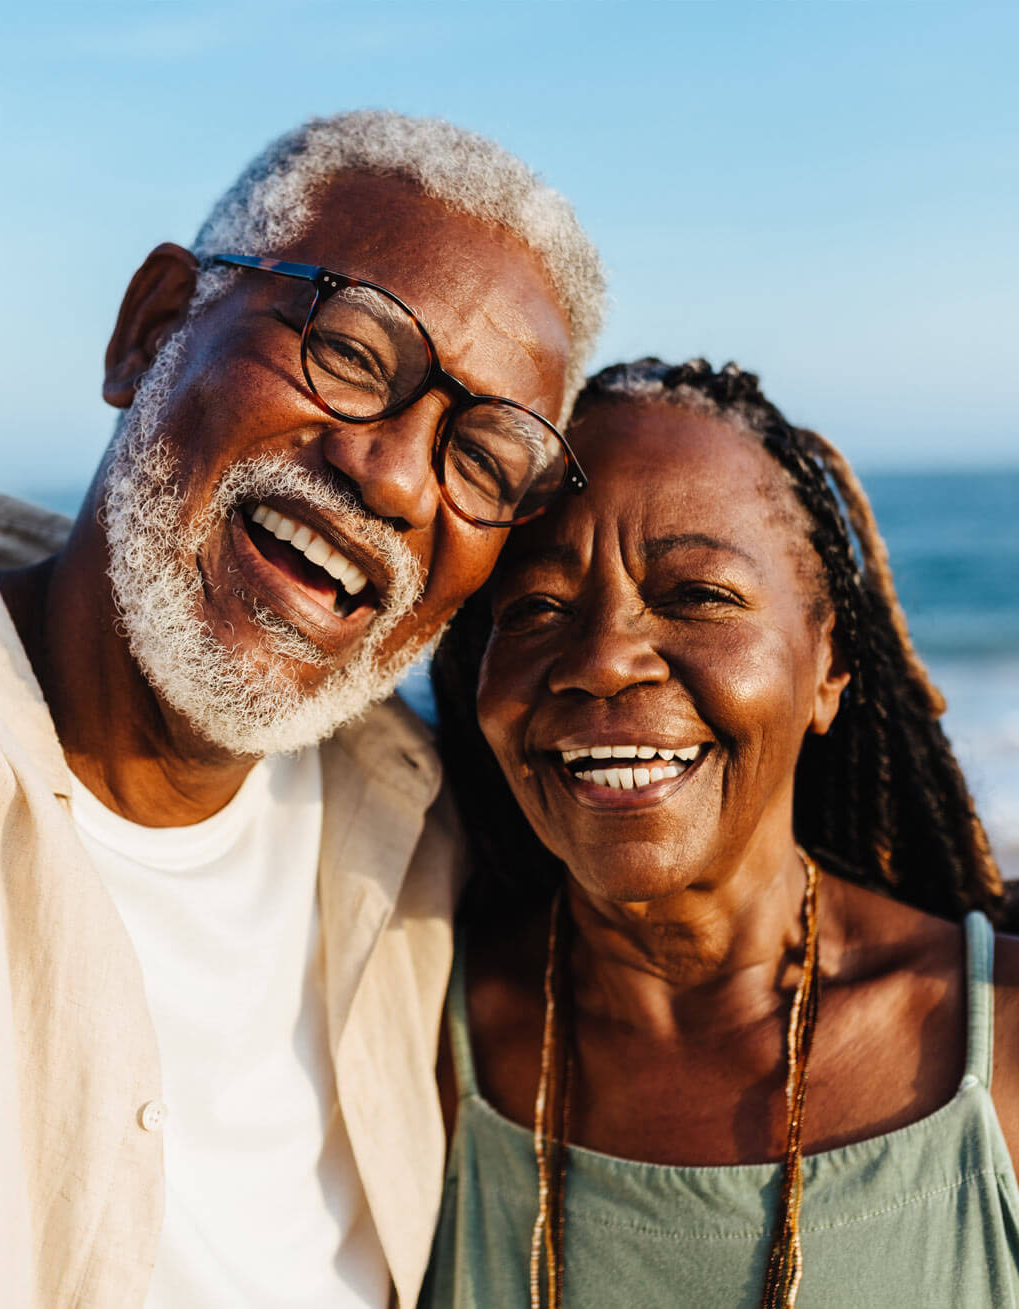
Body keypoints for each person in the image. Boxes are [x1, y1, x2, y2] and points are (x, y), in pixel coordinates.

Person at [0, 110, 605, 1308]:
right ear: (150, 328)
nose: (399, 476)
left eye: (483, 460)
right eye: (353, 353)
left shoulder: (426, 831)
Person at [426, 358, 1019, 1307]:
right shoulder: (417, 1044)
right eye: (535, 608)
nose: (604, 659)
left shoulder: (1000, 1056)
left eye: (697, 594)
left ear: (827, 664)